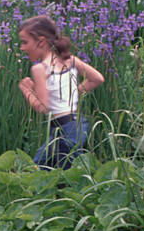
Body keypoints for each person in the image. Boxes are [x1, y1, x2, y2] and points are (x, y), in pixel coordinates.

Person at [17, 15, 104, 168]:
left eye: (25, 42)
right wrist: (72, 95)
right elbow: (97, 79)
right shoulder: (70, 60)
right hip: (76, 125)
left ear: (41, 42)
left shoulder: (40, 68)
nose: (22, 48)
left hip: (63, 131)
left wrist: (26, 89)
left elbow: (43, 107)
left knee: (45, 173)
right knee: (44, 170)